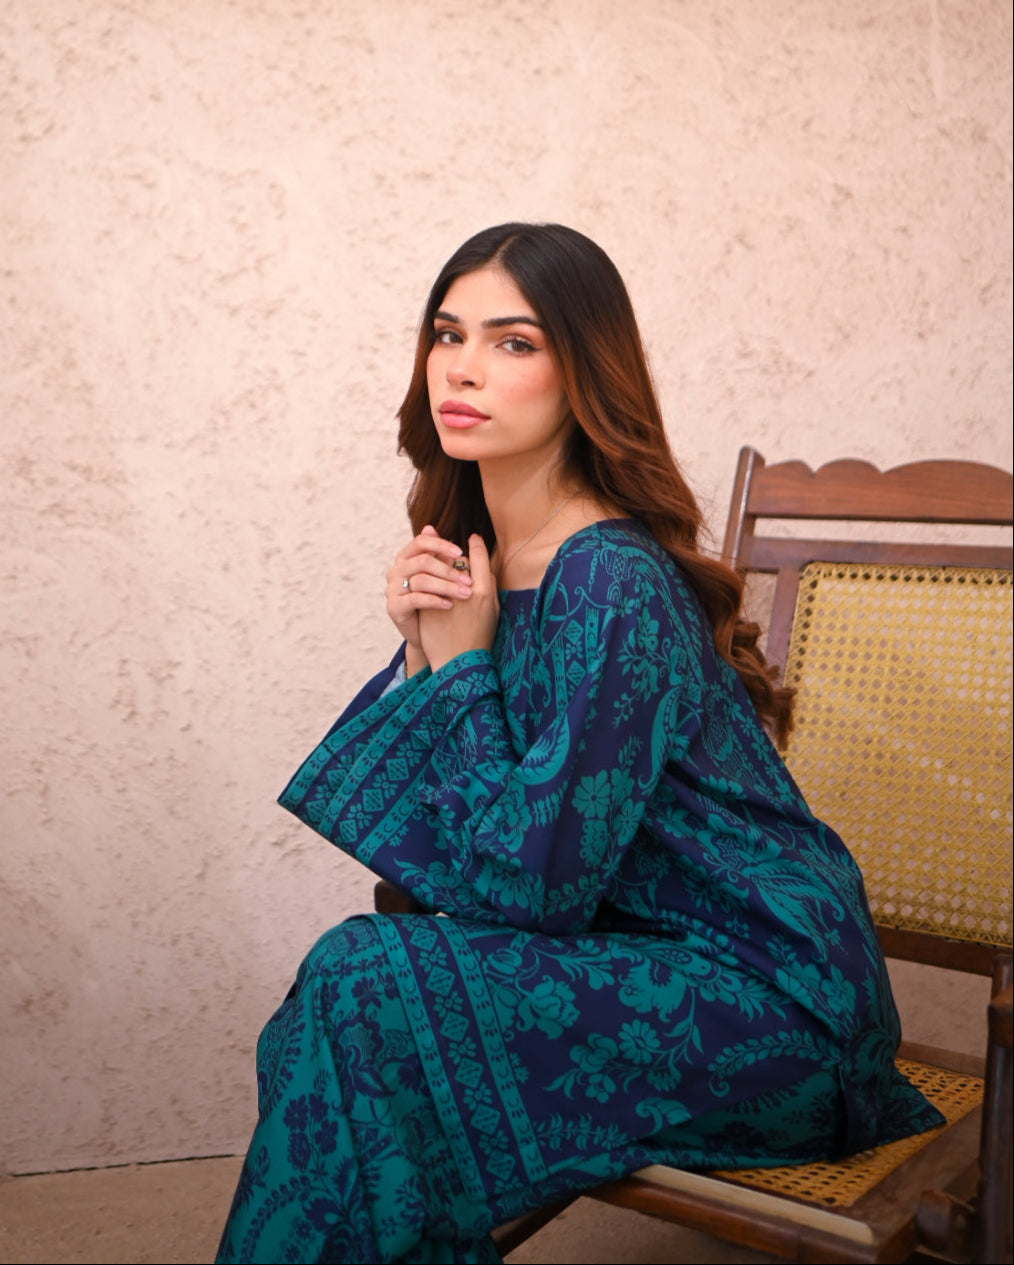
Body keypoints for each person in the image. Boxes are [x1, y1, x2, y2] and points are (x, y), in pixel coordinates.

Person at [216, 223, 942, 1264]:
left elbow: (530, 888)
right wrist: (429, 654)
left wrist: (460, 671)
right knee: (353, 994)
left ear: (584, 373)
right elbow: (457, 852)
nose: (463, 367)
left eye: (514, 342)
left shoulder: (613, 577)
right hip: (631, 960)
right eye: (447, 334)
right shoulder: (484, 560)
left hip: (773, 999)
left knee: (363, 984)